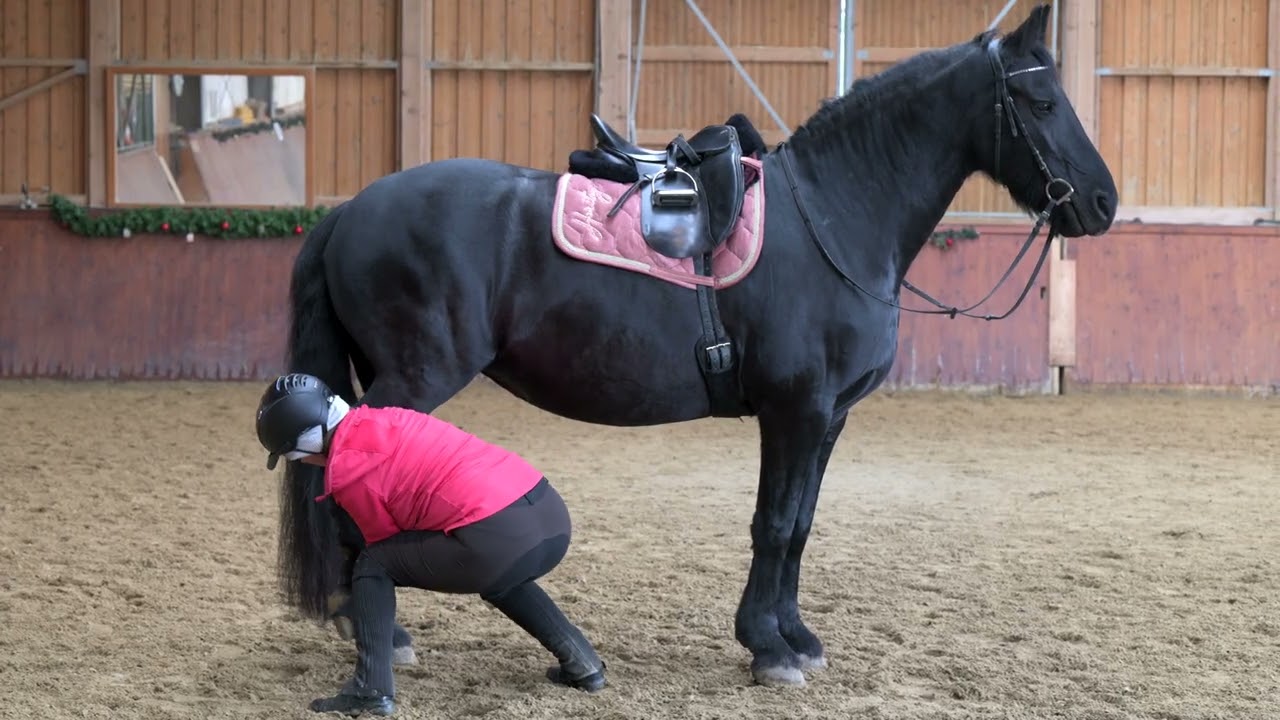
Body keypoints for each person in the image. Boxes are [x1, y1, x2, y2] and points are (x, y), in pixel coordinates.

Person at [255, 373, 607, 716]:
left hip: (497, 538)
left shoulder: (350, 472)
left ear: (310, 442)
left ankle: (370, 690)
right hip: (549, 515)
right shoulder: (389, 415)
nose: (301, 464)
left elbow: (385, 546)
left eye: (294, 456)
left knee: (372, 565)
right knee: (497, 571)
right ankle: (582, 661)